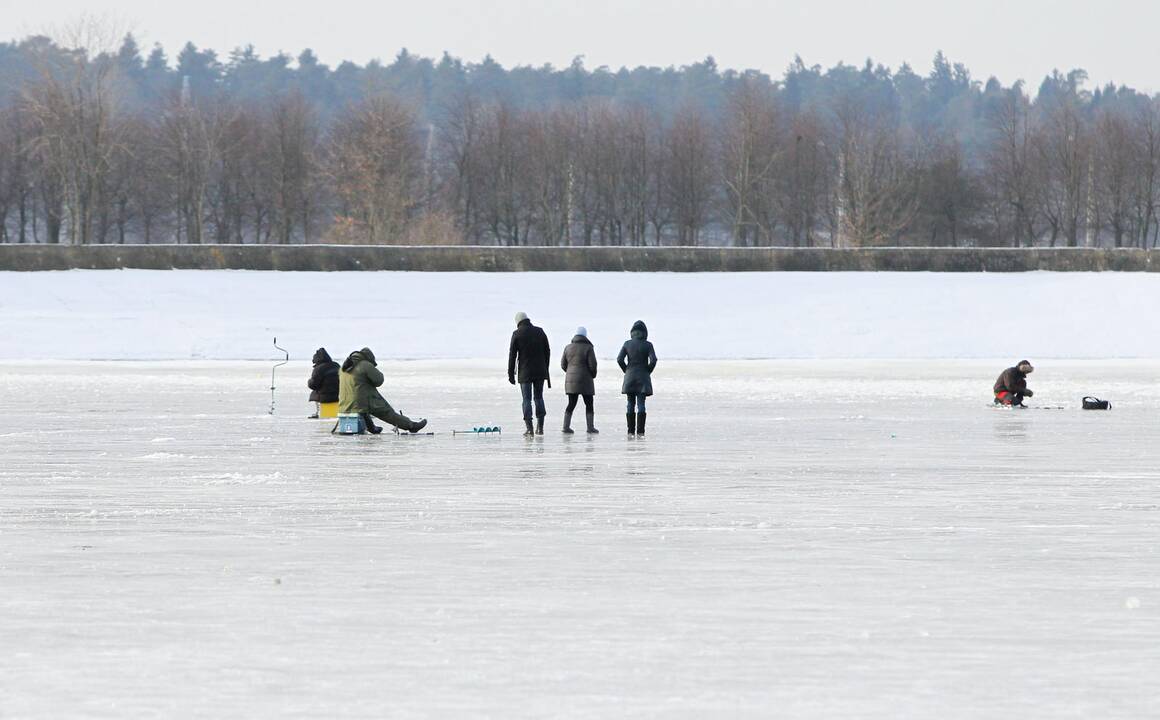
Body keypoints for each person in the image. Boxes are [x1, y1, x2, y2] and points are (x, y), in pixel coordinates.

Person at [338, 347, 428, 434]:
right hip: (361, 402)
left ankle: (372, 428)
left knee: (363, 410)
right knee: (386, 412)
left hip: (344, 405)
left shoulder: (344, 367)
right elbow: (379, 380)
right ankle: (411, 426)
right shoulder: (365, 365)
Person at [508, 312, 551, 437]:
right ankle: (540, 428)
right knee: (539, 398)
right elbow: (547, 351)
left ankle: (529, 429)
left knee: (526, 400)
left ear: (518, 322)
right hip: (540, 371)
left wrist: (511, 374)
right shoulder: (540, 331)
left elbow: (512, 356)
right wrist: (545, 367)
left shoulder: (517, 334)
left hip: (524, 372)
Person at [618, 320, 657, 436]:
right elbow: (654, 360)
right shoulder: (648, 345)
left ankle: (630, 431)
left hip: (629, 377)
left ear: (632, 332)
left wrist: (626, 370)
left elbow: (619, 359)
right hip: (643, 377)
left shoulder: (627, 344)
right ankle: (640, 431)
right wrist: (648, 371)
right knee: (641, 404)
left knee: (630, 403)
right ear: (645, 332)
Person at [560, 326, 599, 435]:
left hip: (571, 381)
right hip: (585, 380)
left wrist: (570, 373)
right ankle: (590, 428)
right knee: (589, 404)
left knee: (571, 403)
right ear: (585, 335)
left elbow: (563, 364)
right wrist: (593, 375)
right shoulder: (588, 348)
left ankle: (565, 427)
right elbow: (593, 365)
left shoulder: (568, 347)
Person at [306, 347, 340, 418]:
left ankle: (319, 412)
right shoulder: (336, 365)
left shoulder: (318, 369)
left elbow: (313, 385)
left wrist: (309, 381)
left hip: (325, 397)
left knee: (314, 393)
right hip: (338, 395)